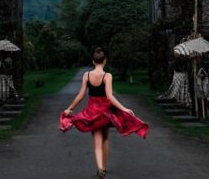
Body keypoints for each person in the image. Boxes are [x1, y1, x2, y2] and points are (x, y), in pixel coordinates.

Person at [60, 47, 149, 179]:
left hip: (92, 112)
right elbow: (110, 96)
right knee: (105, 139)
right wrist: (124, 108)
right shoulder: (107, 76)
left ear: (93, 61)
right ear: (105, 61)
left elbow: (80, 95)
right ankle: (104, 167)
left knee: (97, 142)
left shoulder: (87, 75)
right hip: (106, 113)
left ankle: (100, 169)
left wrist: (70, 108)